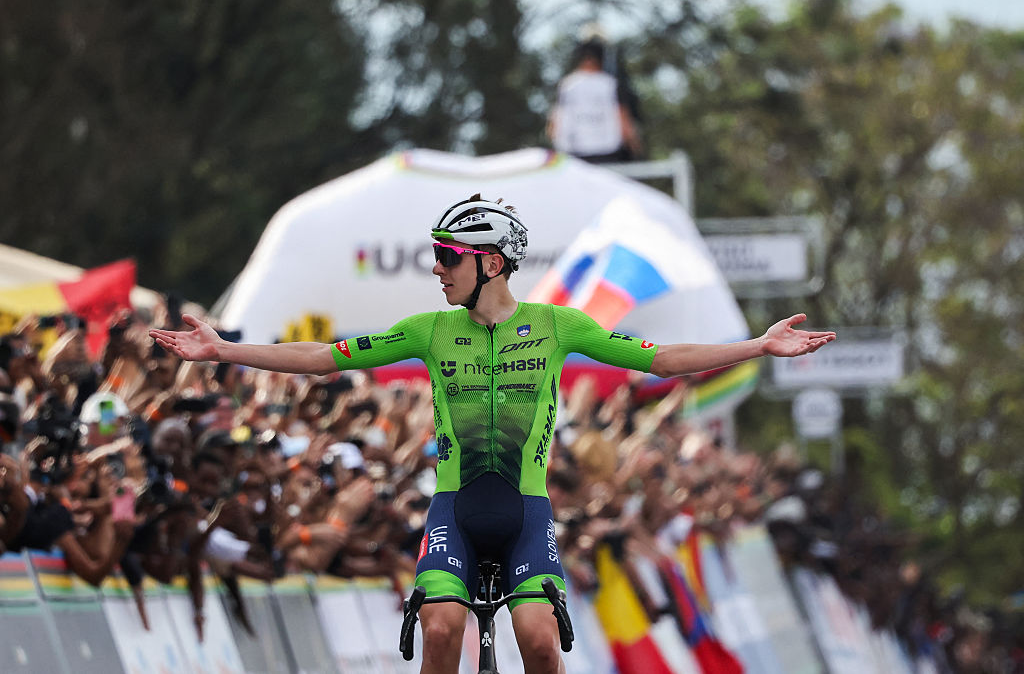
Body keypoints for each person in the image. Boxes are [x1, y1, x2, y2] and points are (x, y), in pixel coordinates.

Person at [150, 194, 835, 674]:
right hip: (455, 509)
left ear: (492, 262)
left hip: (526, 514)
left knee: (540, 645)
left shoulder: (560, 324)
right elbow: (322, 357)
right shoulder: (427, 329)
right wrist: (224, 351)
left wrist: (756, 346)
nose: (437, 269)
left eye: (448, 256)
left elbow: (661, 358)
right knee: (442, 628)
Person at [547, 37, 643, 163]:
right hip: (608, 153)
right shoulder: (611, 84)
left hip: (573, 154)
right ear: (602, 59)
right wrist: (636, 148)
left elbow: (554, 124)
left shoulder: (566, 85)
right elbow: (623, 121)